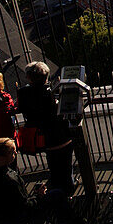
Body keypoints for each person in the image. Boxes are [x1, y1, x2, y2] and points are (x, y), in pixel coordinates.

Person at [17, 62, 73, 194]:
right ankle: (68, 189)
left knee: (53, 165)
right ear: (46, 76)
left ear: (29, 78)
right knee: (66, 165)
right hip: (63, 135)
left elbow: (23, 109)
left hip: (43, 138)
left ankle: (57, 190)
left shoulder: (24, 93)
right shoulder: (53, 92)